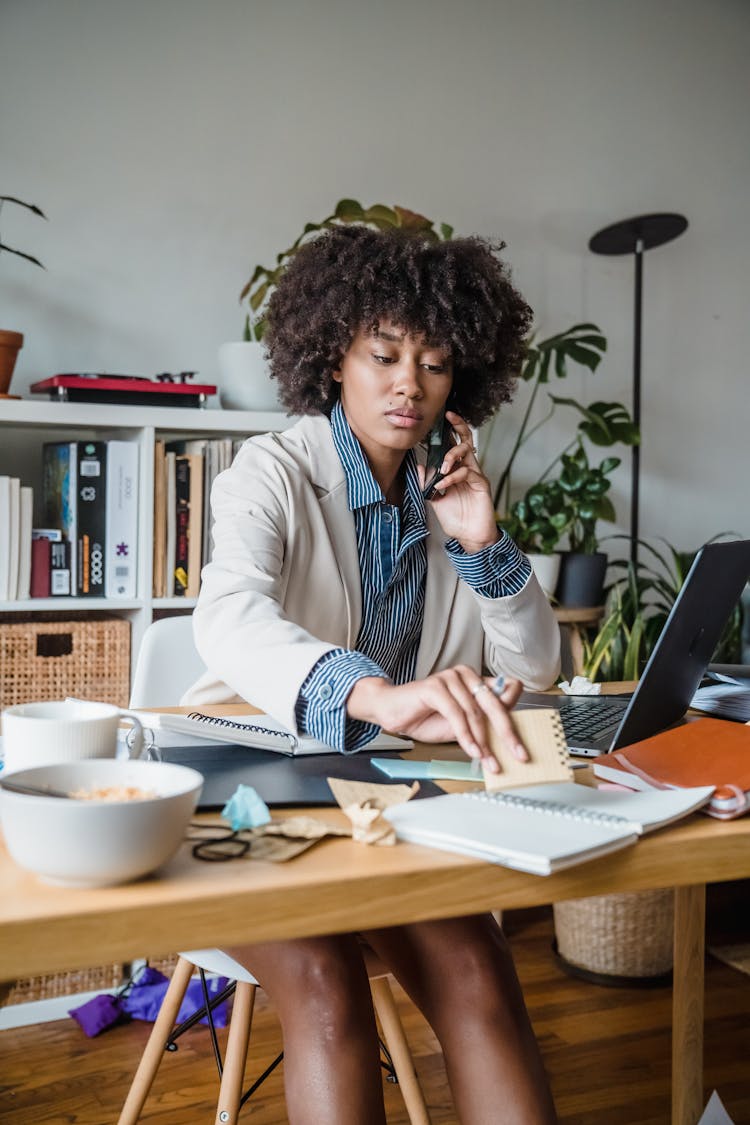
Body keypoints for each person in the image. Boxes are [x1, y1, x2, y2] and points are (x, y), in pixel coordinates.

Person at [186, 224, 561, 1124]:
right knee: (324, 981)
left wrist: (483, 541)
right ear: (333, 359)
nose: (409, 384)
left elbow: (538, 668)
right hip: (240, 787)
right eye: (384, 354)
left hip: (379, 798)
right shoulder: (268, 473)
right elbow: (227, 616)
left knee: (479, 964)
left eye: (434, 364)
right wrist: (378, 694)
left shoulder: (447, 495)